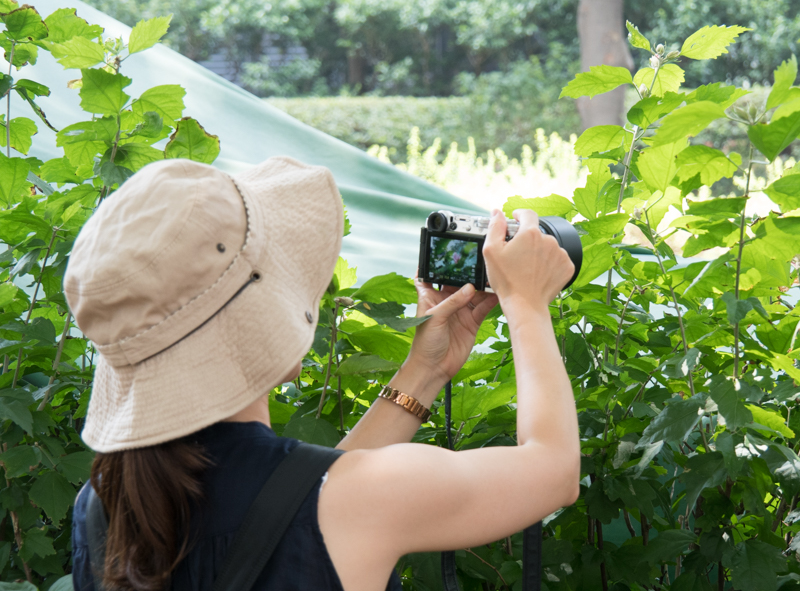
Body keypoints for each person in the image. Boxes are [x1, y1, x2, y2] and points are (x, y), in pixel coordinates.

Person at [68, 156, 580, 591]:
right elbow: (554, 471)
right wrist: (527, 305)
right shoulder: (358, 499)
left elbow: (297, 504)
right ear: (260, 322)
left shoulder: (104, 504)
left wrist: (424, 373)